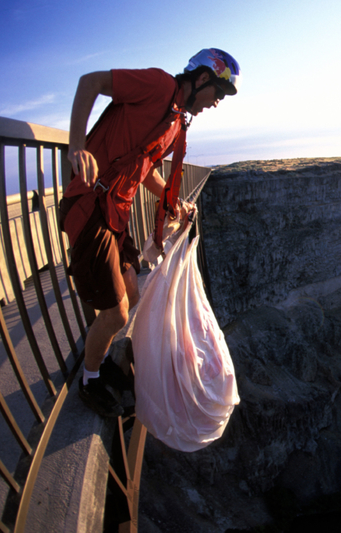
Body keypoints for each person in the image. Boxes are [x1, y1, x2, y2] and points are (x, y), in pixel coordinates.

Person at [60, 48, 241, 417]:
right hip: (90, 208)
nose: (217, 103)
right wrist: (76, 148)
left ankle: (102, 358)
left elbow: (144, 171)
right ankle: (89, 380)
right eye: (218, 93)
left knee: (129, 290)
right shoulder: (158, 86)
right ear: (203, 78)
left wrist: (173, 203)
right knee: (116, 314)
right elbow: (90, 82)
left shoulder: (175, 118)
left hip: (115, 213)